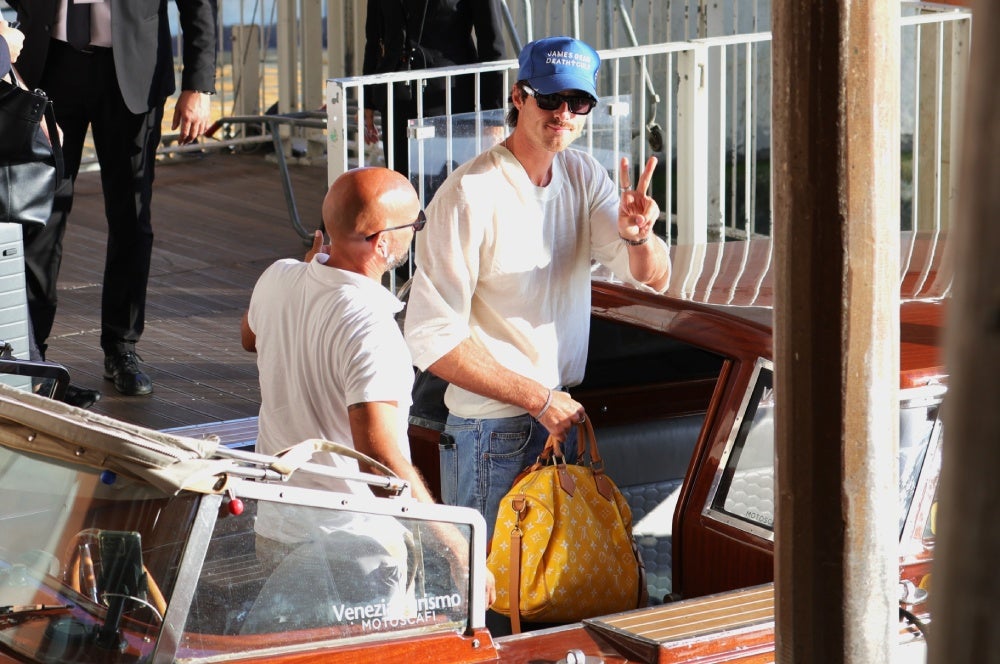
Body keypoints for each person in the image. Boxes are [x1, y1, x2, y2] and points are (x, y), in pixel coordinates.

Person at [403, 36, 672, 543]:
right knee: (488, 598)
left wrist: (641, 237)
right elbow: (431, 338)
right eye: (549, 99)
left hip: (556, 417)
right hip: (492, 433)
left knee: (546, 595)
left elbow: (650, 275)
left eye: (577, 102)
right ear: (518, 96)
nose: (562, 114)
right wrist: (538, 399)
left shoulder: (584, 173)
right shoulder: (470, 194)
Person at [241, 166, 495, 607]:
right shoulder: (371, 328)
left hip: (277, 531)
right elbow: (378, 462)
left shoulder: (278, 276)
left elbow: (250, 337)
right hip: (354, 549)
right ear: (382, 243)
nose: (417, 232)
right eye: (415, 224)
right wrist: (457, 547)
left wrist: (306, 277)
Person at [7, 0, 217, 397]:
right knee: (39, 217)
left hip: (133, 74)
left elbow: (198, 5)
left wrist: (198, 83)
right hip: (50, 65)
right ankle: (31, 354)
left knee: (130, 216)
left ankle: (122, 348)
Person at [361, 0, 506, 176]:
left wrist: (494, 117)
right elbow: (374, 40)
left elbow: (492, 44)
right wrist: (367, 101)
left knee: (450, 189)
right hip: (396, 101)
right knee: (402, 188)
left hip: (451, 101)